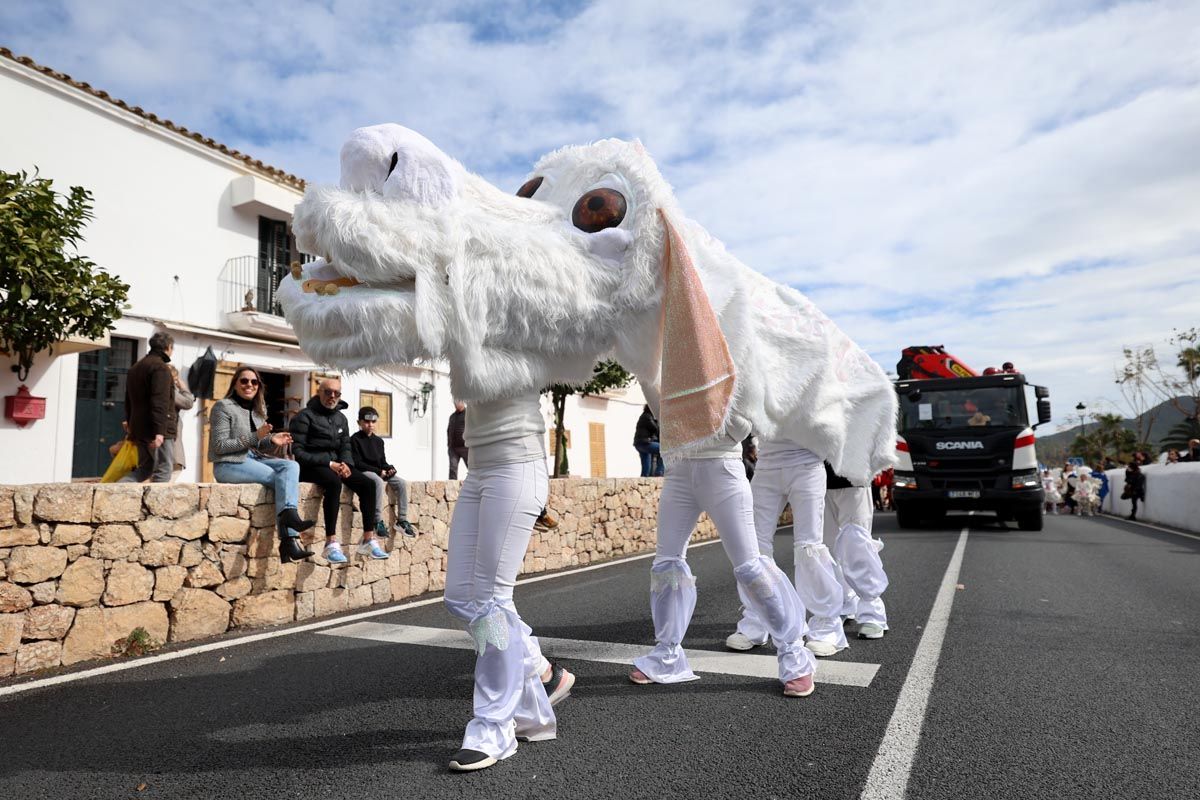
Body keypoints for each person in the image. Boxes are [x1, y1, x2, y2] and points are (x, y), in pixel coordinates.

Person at [630, 422, 817, 698]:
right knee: (666, 564)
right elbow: (661, 405)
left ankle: (794, 653)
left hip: (722, 464)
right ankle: (667, 655)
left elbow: (748, 415)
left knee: (750, 566)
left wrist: (718, 428)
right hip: (679, 467)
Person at [443, 392, 574, 772]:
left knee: (490, 601)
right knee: (460, 597)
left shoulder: (523, 331)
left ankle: (494, 727)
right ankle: (539, 673)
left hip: (517, 464)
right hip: (479, 467)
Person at [725, 441, 846, 658]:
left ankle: (827, 627)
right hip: (766, 463)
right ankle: (757, 620)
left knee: (809, 546)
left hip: (807, 461)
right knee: (753, 548)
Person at [209, 365, 314, 563]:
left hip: (253, 459)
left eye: (254, 382)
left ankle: (288, 533)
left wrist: (271, 440)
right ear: (235, 384)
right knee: (281, 479)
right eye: (244, 381)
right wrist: (256, 436)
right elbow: (220, 445)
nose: (249, 385)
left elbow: (257, 443)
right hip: (229, 464)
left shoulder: (258, 411)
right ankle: (289, 538)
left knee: (291, 466)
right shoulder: (222, 407)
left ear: (258, 386)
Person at [289, 377, 384, 563]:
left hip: (335, 465)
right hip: (310, 466)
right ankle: (330, 543)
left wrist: (347, 464)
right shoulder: (304, 416)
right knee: (333, 482)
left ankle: (368, 538)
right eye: (328, 392)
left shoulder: (341, 418)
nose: (332, 396)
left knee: (368, 484)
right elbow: (297, 452)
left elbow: (345, 446)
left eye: (337, 393)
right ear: (319, 392)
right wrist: (329, 463)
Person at [823, 464, 890, 640]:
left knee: (857, 544)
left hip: (853, 474)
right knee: (824, 548)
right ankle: (844, 602)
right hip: (815, 476)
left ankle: (872, 612)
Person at [350, 406, 416, 538]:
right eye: (367, 422)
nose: (370, 425)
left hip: (379, 471)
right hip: (364, 472)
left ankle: (402, 521)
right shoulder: (355, 439)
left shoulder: (379, 441)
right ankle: (377, 521)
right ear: (359, 423)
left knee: (401, 483)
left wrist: (389, 468)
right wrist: (379, 471)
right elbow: (357, 463)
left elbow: (382, 462)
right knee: (377, 481)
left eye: (373, 422)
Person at [122, 331, 177, 483]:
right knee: (164, 469)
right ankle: (157, 506)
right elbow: (160, 401)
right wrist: (160, 432)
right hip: (157, 429)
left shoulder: (136, 367)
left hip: (139, 427)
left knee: (145, 467)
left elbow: (128, 400)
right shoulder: (160, 368)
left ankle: (118, 491)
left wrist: (130, 423)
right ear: (168, 347)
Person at [168, 365, 195, 481]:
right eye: (174, 379)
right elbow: (188, 403)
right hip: (171, 449)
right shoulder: (169, 391)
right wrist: (183, 387)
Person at [632, 404, 663, 478]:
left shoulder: (645, 416)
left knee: (646, 468)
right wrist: (659, 420)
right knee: (664, 449)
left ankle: (642, 482)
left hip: (640, 443)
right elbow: (656, 429)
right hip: (644, 443)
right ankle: (659, 472)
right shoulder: (647, 417)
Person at [447, 400, 468, 479]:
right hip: (453, 448)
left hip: (466, 447)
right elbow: (449, 430)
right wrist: (449, 444)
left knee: (471, 467)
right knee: (453, 468)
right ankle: (451, 487)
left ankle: (474, 485)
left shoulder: (468, 414)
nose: (456, 405)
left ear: (463, 402)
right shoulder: (452, 416)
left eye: (458, 402)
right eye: (455, 403)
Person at [1123, 454, 1146, 521]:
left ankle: (1133, 516)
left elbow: (1138, 484)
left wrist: (1135, 491)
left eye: (1130, 467)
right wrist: (1127, 472)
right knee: (1133, 503)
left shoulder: (1139, 475)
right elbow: (1127, 480)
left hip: (1136, 491)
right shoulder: (1132, 474)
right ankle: (1132, 515)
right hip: (1133, 490)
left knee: (1134, 503)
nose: (1128, 468)